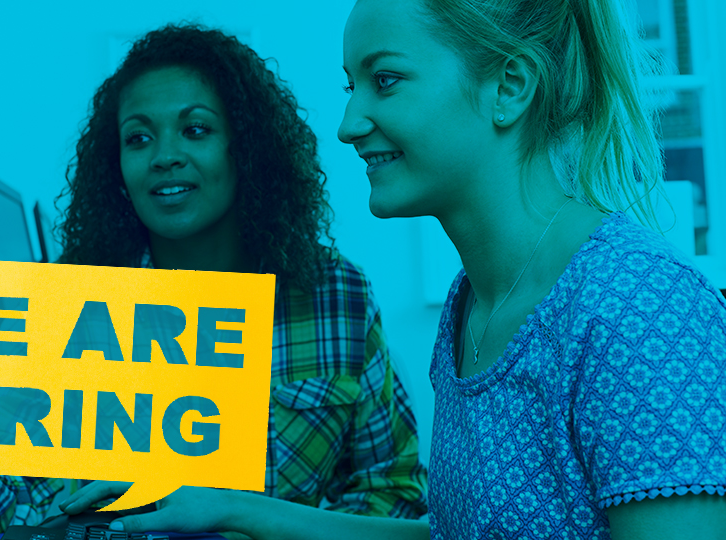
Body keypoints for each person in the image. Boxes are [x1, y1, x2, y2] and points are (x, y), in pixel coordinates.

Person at [70, 0, 726, 539]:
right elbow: (456, 535)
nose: (350, 123)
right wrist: (234, 508)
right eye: (353, 86)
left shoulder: (641, 312)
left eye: (384, 81)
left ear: (510, 87)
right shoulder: (472, 305)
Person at [0, 23, 427, 538]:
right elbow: (16, 521)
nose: (165, 156)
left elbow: (395, 490)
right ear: (116, 167)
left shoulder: (338, 298)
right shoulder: (74, 312)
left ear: (244, 148)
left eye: (196, 129)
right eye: (139, 138)